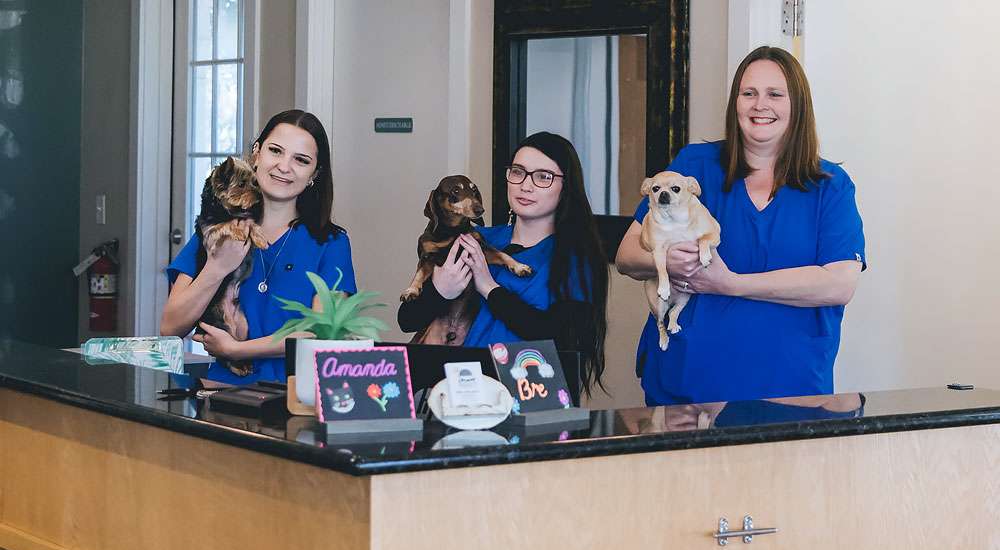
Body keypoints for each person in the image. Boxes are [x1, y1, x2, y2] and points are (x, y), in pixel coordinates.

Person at [615, 46, 866, 405]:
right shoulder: (694, 167)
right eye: (748, 93)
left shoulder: (829, 184)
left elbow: (840, 283)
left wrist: (730, 284)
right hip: (687, 390)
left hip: (791, 392)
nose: (759, 105)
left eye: (775, 94)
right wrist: (667, 260)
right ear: (736, 103)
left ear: (797, 106)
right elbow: (625, 255)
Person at [398, 132, 609, 395]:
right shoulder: (475, 239)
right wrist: (439, 291)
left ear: (566, 188)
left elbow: (561, 338)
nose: (526, 185)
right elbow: (407, 320)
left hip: (526, 398)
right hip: (455, 393)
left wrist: (489, 287)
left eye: (543, 177)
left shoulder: (574, 258)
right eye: (518, 172)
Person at [161, 109, 356, 384]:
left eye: (301, 160)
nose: (284, 166)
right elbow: (170, 327)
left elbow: (323, 333)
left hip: (297, 399)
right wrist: (218, 267)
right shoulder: (216, 231)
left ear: (315, 173)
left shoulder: (332, 243)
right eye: (276, 151)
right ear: (257, 152)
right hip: (221, 395)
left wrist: (237, 350)